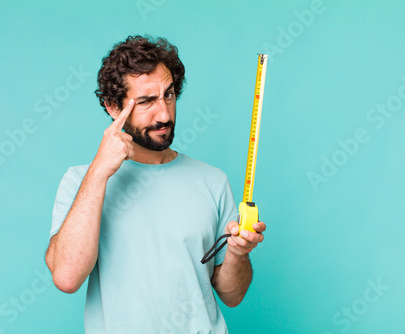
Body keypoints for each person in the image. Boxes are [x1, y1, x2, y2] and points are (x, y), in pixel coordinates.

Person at [45, 35, 266, 333]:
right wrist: (99, 171)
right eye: (147, 101)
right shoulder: (80, 181)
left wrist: (238, 254)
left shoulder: (212, 181)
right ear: (113, 107)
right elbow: (67, 277)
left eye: (169, 95)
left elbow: (232, 295)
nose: (164, 113)